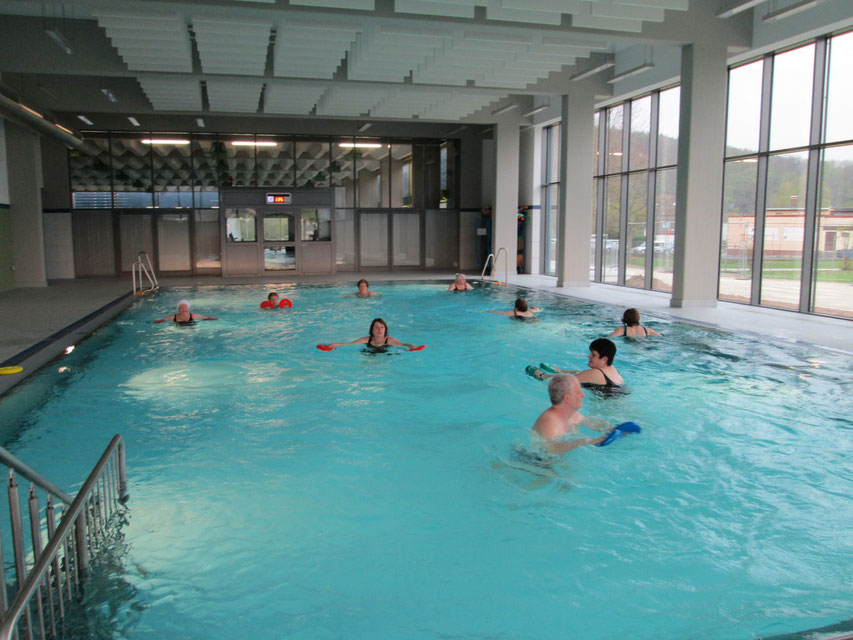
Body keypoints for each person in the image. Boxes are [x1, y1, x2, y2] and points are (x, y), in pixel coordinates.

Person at [531, 375, 611, 454]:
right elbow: (551, 450)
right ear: (567, 398)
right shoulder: (550, 420)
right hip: (537, 463)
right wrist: (587, 442)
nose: (583, 395)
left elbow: (592, 424)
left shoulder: (573, 415)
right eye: (578, 392)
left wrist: (609, 428)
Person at [528, 338, 623, 389]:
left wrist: (542, 376)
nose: (589, 356)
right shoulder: (613, 369)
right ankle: (561, 370)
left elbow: (560, 382)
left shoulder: (595, 373)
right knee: (582, 373)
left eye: (593, 355)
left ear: (604, 359)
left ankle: (557, 372)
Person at [319, 318, 419, 352]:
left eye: (382, 327)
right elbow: (350, 344)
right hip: (369, 354)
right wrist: (335, 345)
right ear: (372, 330)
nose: (380, 330)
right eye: (377, 327)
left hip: (385, 355)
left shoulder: (389, 340)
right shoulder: (367, 339)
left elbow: (402, 345)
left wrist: (412, 346)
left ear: (385, 329)